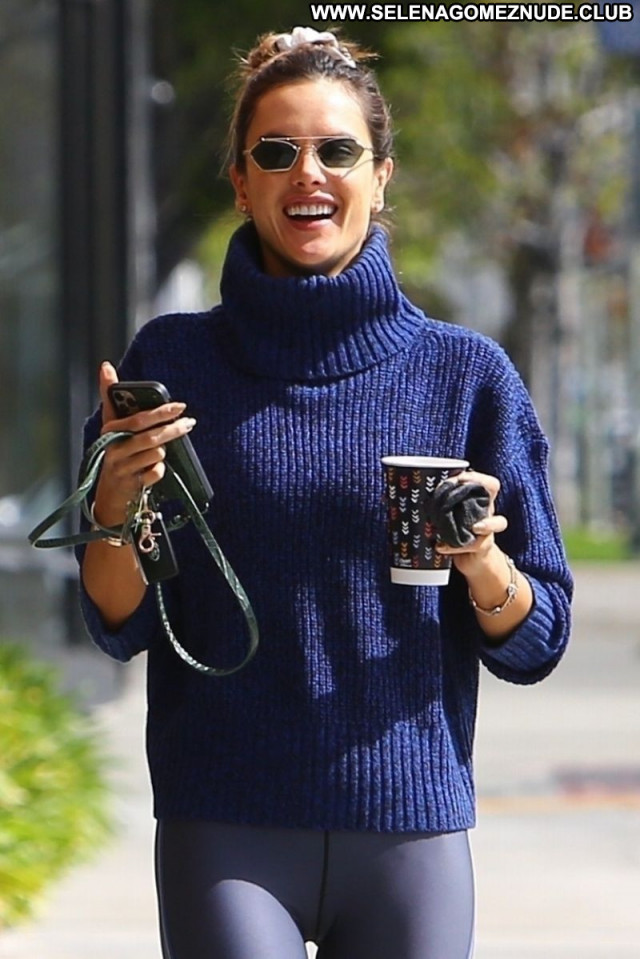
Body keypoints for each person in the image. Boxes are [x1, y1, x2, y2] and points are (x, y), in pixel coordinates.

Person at [78, 25, 572, 959]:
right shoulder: (172, 362)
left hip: (409, 822)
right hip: (223, 819)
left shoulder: (465, 374)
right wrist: (114, 504)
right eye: (276, 152)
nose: (307, 172)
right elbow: (117, 622)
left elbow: (538, 637)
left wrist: (482, 561)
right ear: (241, 182)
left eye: (337, 151)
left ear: (380, 176)